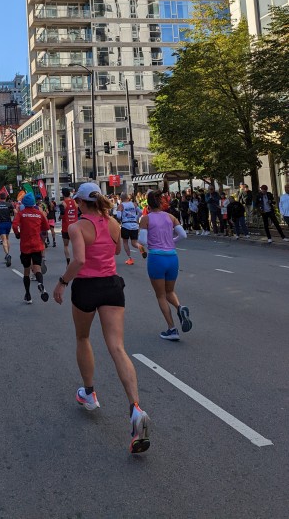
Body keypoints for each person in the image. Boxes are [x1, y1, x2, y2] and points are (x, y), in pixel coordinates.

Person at [52, 183, 151, 454]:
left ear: (82, 203)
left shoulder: (77, 227)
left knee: (83, 337)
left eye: (77, 202)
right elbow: (117, 251)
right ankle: (136, 409)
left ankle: (89, 393)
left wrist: (62, 282)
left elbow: (79, 260)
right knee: (117, 347)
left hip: (86, 287)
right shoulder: (113, 223)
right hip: (111, 285)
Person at [139, 190, 191, 341]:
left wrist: (154, 244)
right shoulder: (171, 217)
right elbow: (183, 235)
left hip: (156, 258)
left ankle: (172, 329)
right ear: (162, 203)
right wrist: (170, 242)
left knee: (161, 295)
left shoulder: (145, 219)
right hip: (172, 257)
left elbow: (142, 241)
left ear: (148, 204)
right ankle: (180, 307)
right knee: (170, 291)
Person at [12, 192, 49, 304]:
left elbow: (14, 225)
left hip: (25, 246)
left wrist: (17, 234)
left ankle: (28, 295)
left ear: (24, 202)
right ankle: (40, 283)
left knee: (26, 271)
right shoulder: (39, 213)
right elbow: (46, 226)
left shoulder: (21, 214)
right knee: (37, 268)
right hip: (37, 244)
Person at [117, 193, 146, 265]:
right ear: (128, 198)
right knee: (134, 243)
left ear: (121, 199)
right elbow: (141, 212)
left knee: (125, 242)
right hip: (134, 225)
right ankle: (139, 246)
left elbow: (118, 216)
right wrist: (136, 218)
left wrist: (121, 219)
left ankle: (130, 259)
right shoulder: (134, 204)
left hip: (125, 225)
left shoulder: (121, 205)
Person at [0, 192, 14, 266]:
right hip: (8, 223)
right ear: (6, 197)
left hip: (1, 223)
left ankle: (7, 254)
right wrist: (14, 219)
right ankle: (8, 253)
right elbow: (15, 212)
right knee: (7, 239)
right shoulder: (9, 204)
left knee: (3, 240)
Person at [59, 187, 79, 266]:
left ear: (63, 194)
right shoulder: (75, 202)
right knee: (76, 244)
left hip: (66, 227)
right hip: (75, 226)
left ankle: (68, 260)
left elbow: (62, 214)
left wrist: (59, 218)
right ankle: (77, 259)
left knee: (66, 245)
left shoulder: (63, 203)